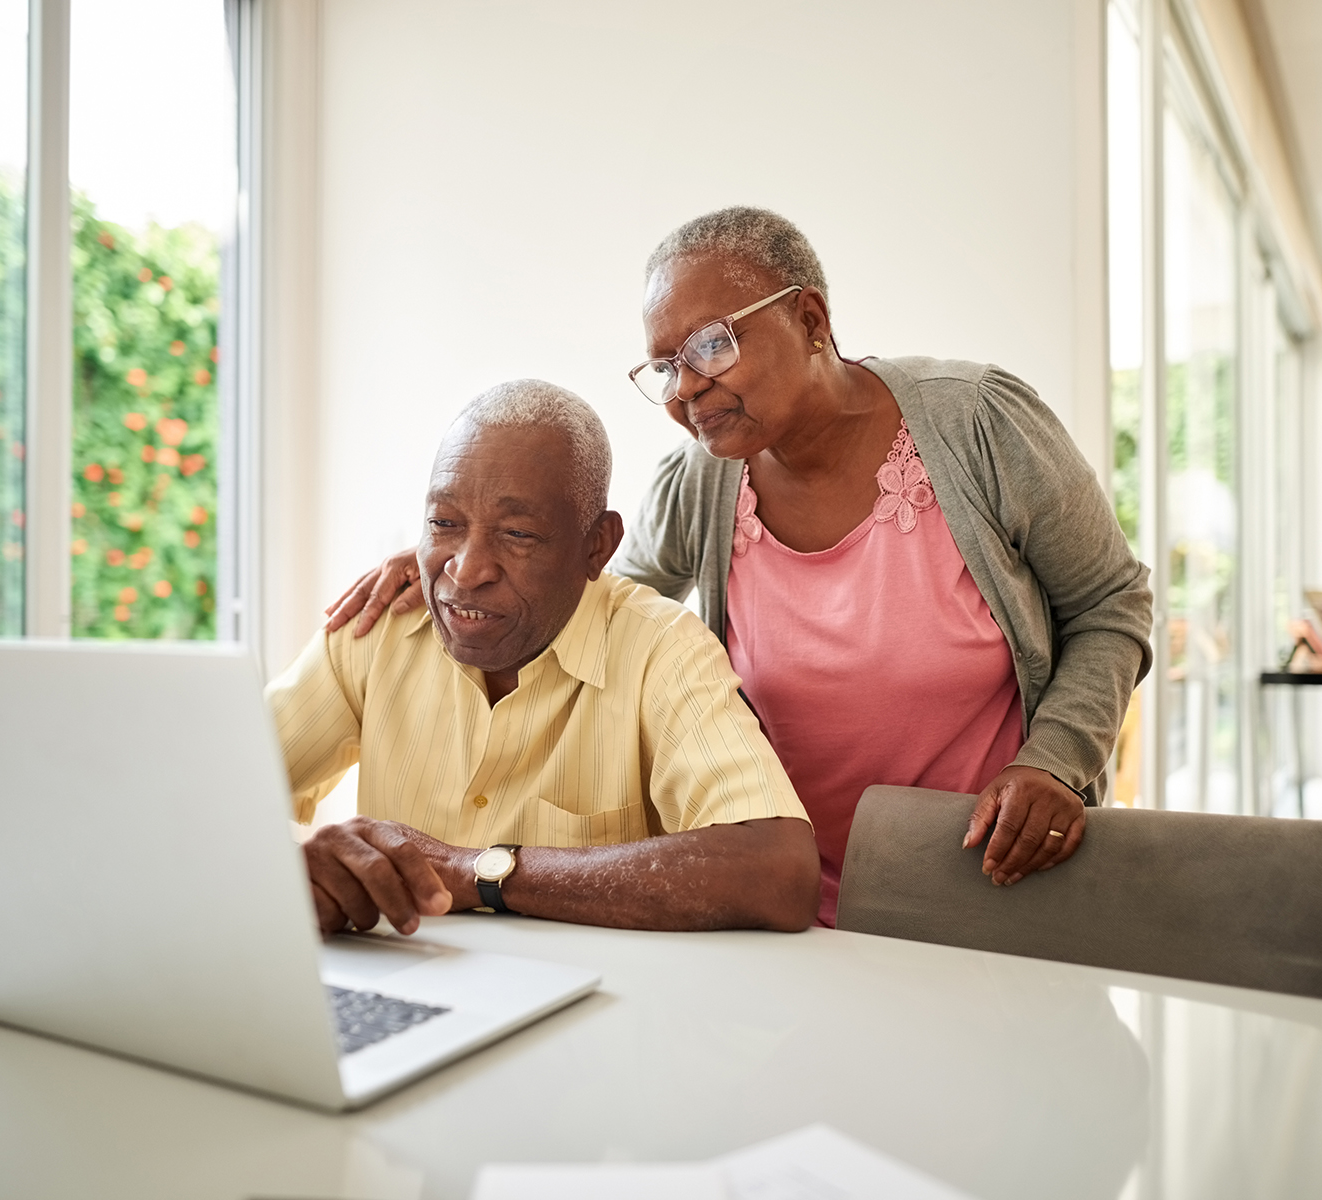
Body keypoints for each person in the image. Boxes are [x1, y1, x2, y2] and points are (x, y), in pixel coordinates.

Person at [326, 209, 1152, 926]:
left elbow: (1112, 603)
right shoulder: (704, 481)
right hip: (776, 895)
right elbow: (598, 598)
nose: (685, 389)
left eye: (711, 346)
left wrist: (1054, 760)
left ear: (811, 318)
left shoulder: (977, 424)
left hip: (985, 875)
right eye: (664, 366)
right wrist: (459, 548)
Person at [272, 379, 819, 936]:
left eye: (517, 533)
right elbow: (204, 798)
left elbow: (778, 872)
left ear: (596, 546)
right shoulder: (376, 629)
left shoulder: (661, 649)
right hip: (405, 992)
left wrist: (475, 872)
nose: (466, 569)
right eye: (444, 524)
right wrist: (309, 862)